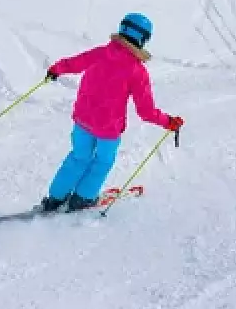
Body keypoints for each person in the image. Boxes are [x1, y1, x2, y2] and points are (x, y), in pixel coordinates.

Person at [39, 13, 183, 212]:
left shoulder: (100, 53)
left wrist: (56, 69)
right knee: (102, 161)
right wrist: (168, 122)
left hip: (82, 120)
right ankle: (82, 198)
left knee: (78, 157)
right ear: (142, 39)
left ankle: (55, 198)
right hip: (108, 129)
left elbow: (74, 63)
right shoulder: (137, 71)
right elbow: (146, 111)